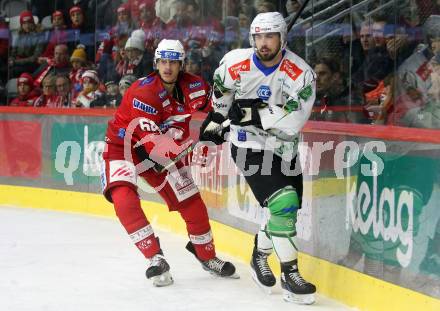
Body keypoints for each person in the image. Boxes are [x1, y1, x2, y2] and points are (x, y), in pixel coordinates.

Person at [199, 12, 317, 304]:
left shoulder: (301, 73)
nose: (263, 43)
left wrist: (256, 113)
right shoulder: (234, 63)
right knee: (284, 201)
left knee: (284, 212)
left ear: (282, 38)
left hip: (284, 147)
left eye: (270, 36)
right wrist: (216, 119)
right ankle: (291, 275)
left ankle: (259, 255)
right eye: (258, 37)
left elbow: (295, 117)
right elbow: (222, 96)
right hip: (247, 144)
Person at [100, 39, 238, 287]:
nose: (168, 67)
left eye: (173, 62)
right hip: (125, 148)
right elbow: (158, 150)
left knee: (193, 204)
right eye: (163, 61)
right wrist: (197, 144)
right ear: (156, 63)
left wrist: (223, 118)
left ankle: (207, 256)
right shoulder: (143, 93)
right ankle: (155, 258)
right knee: (123, 198)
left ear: (181, 64)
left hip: (164, 149)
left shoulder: (195, 85)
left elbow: (219, 106)